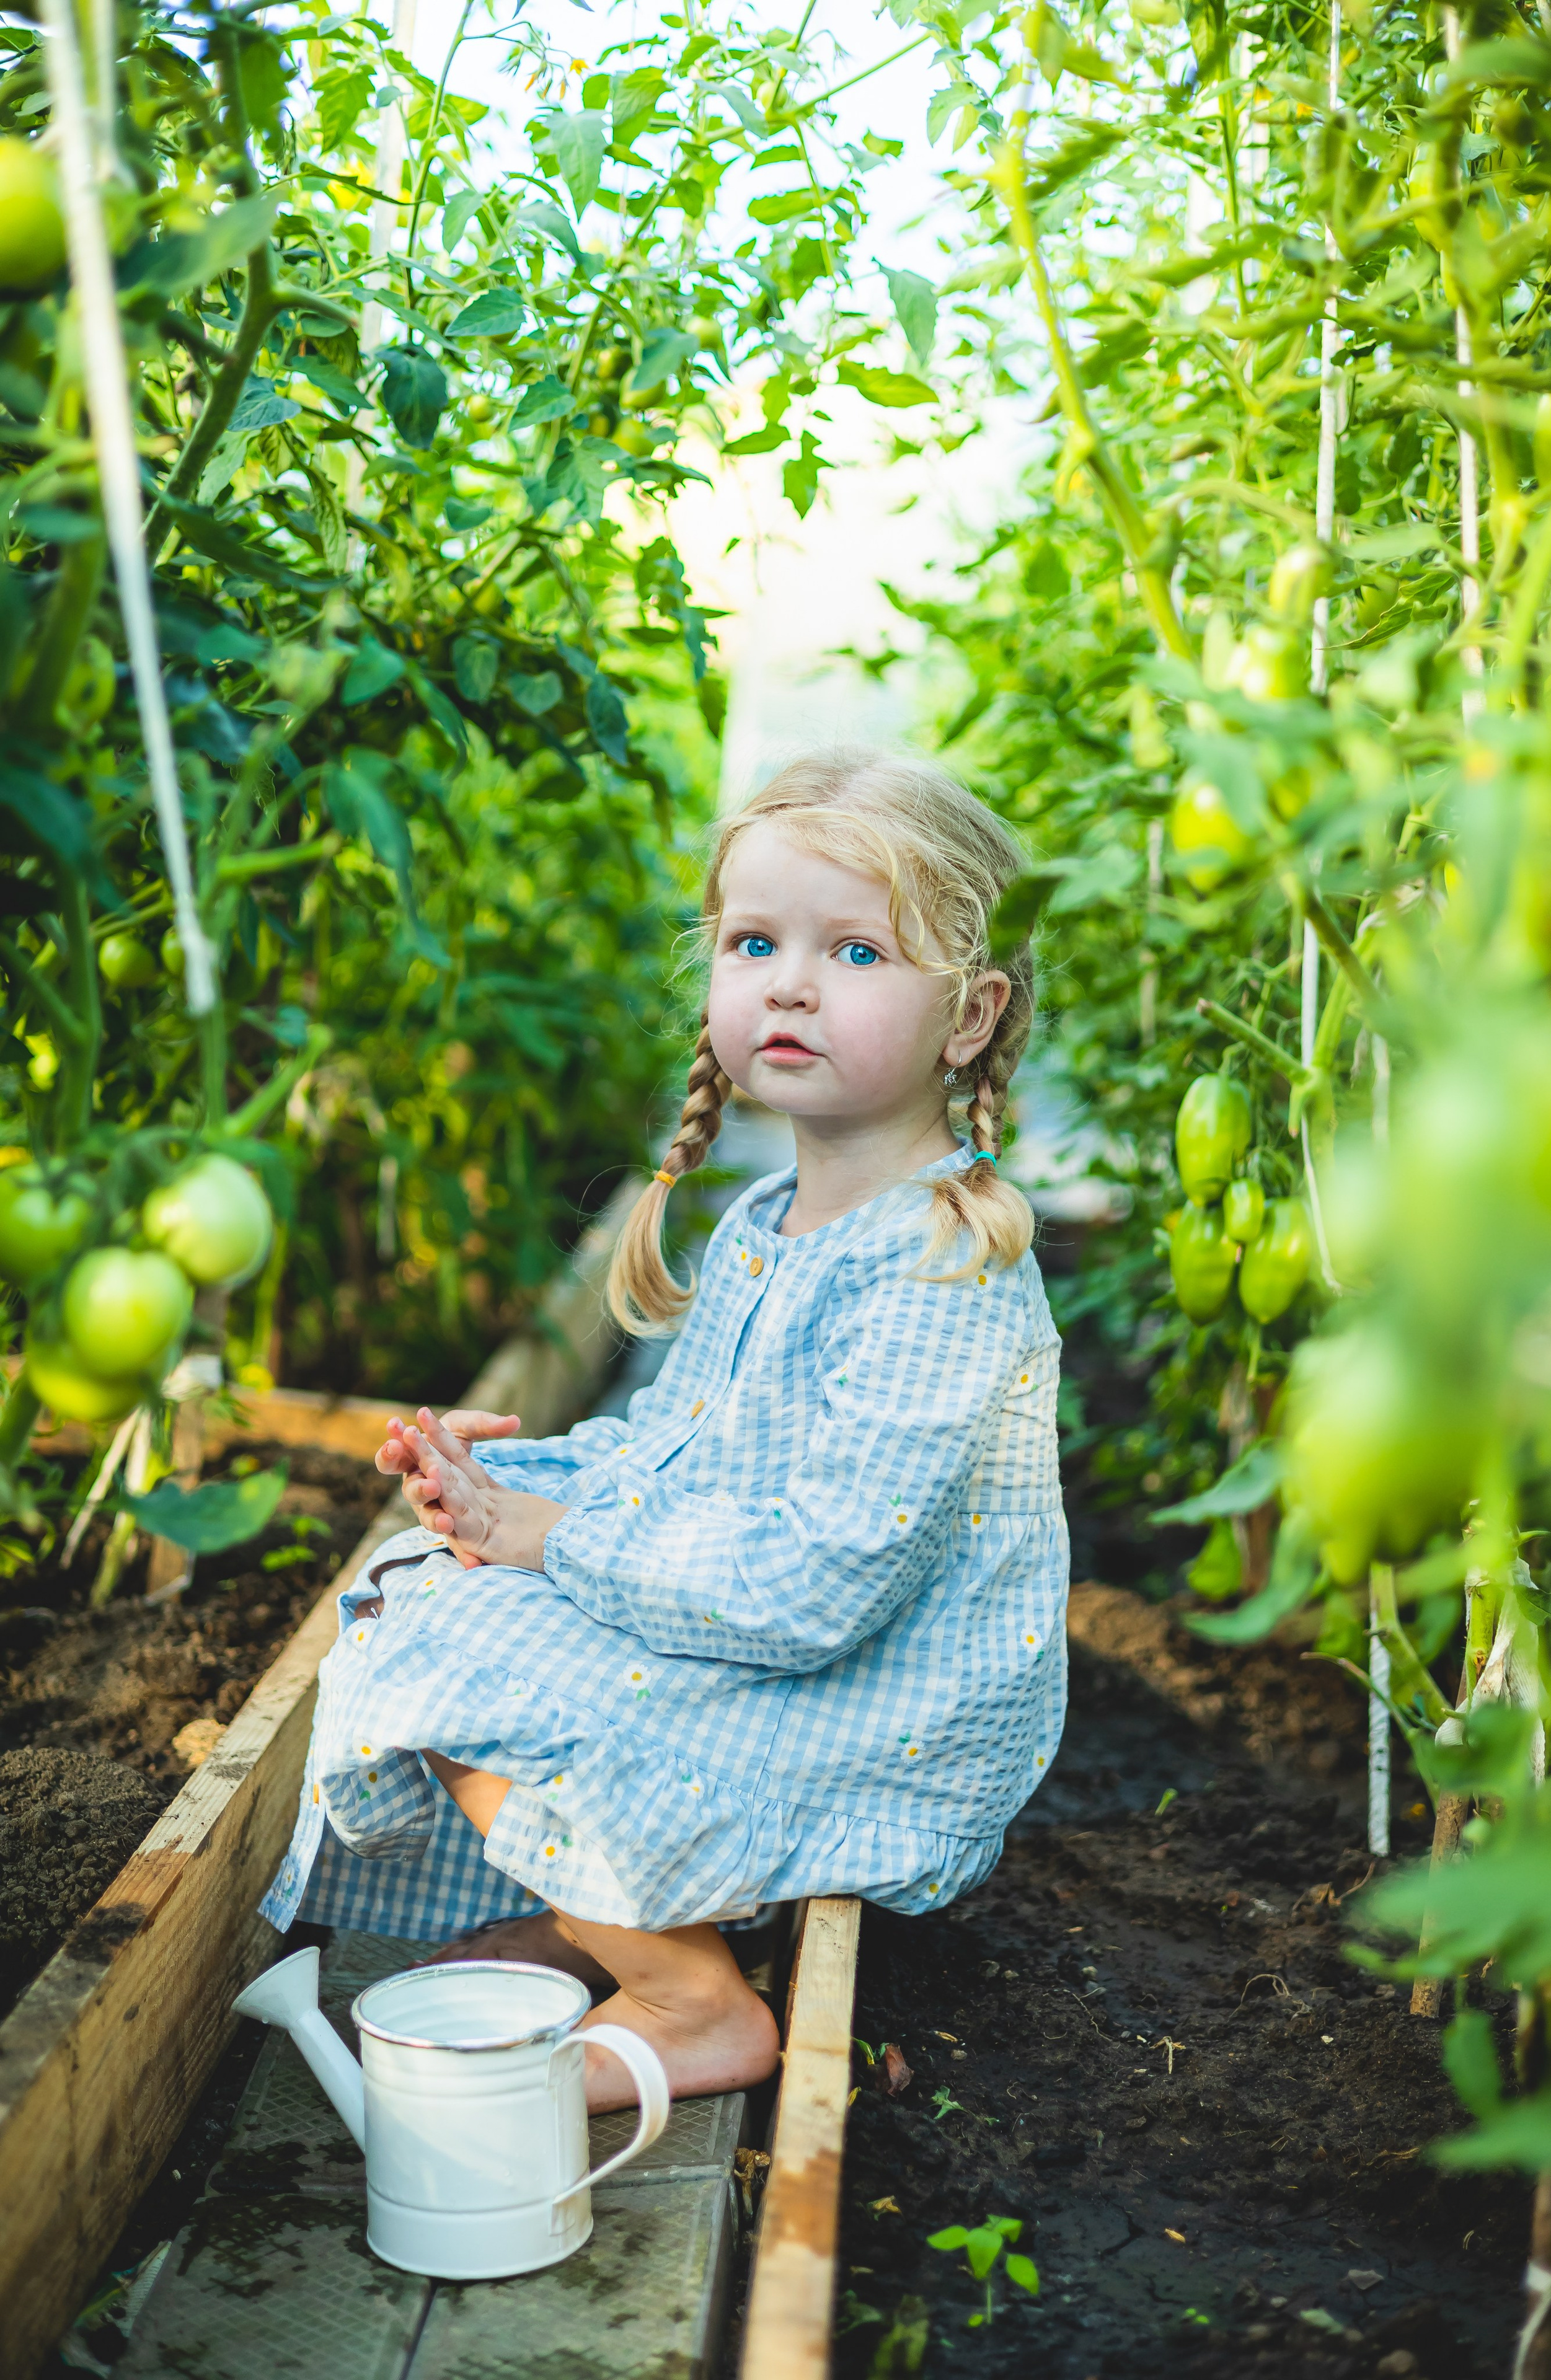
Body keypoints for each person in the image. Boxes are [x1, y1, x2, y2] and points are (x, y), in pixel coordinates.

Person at [262, 747, 1069, 2111]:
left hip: (872, 1705)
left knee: (466, 1658)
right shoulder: (771, 1224)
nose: (790, 983)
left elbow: (815, 1591)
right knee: (423, 1590)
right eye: (754, 941)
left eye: (857, 952)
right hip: (778, 1635)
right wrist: (492, 1487)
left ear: (970, 1015)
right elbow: (679, 1457)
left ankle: (690, 2003)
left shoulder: (939, 1271)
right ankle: (600, 1914)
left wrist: (549, 1546)